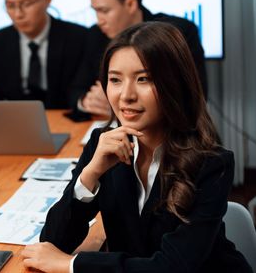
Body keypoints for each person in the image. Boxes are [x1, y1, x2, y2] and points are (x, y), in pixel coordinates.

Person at [21, 22, 251, 273]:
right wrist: (90, 174)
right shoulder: (103, 144)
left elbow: (172, 267)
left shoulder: (211, 163)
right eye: (115, 80)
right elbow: (52, 242)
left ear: (174, 84)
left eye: (143, 79)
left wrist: (72, 264)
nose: (126, 95)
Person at [72, 0, 208, 117]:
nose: (99, 20)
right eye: (95, 11)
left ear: (131, 4)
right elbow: (77, 89)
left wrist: (119, 104)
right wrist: (87, 102)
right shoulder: (95, 35)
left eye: (104, 11)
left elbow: (195, 96)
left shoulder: (176, 33)